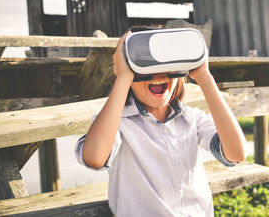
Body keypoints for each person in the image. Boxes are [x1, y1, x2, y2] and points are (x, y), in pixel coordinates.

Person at [75, 27, 247, 216]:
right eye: (145, 66)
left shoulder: (191, 119)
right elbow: (95, 158)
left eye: (165, 66)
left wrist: (204, 77)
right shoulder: (118, 124)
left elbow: (235, 153)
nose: (158, 75)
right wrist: (123, 77)